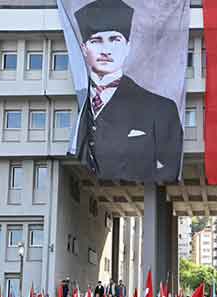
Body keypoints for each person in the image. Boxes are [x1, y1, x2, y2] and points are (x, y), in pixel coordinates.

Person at [72, 0, 183, 182]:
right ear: (84, 49)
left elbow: (169, 167)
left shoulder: (161, 108)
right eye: (96, 41)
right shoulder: (81, 100)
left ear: (127, 47)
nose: (106, 50)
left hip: (136, 190)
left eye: (114, 40)